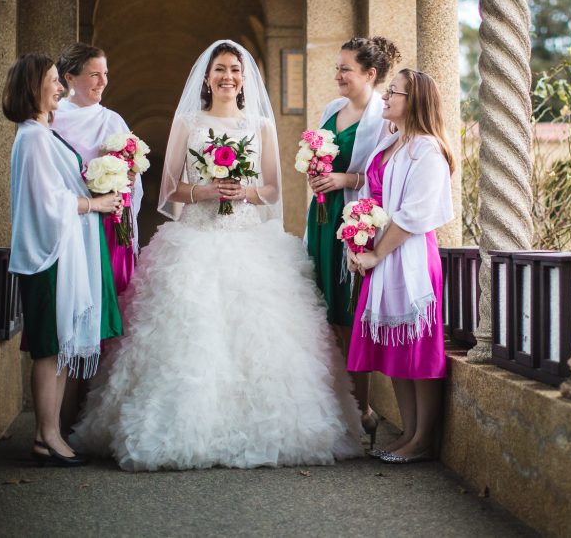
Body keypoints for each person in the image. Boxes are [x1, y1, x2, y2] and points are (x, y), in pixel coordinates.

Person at [71, 40, 362, 471]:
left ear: (245, 79)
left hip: (249, 241)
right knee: (189, 334)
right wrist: (204, 190)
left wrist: (244, 191)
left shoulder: (259, 125)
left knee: (262, 340)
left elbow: (272, 191)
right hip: (195, 237)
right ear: (207, 77)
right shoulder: (188, 122)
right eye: (221, 69)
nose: (228, 77)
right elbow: (169, 190)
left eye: (236, 70)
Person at [3, 53, 123, 467]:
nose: (61, 88)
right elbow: (47, 201)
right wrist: (96, 203)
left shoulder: (41, 133)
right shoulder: (34, 137)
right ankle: (47, 436)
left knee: (56, 348)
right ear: (33, 87)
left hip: (59, 252)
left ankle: (47, 435)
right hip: (49, 255)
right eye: (54, 81)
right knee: (50, 348)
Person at [347, 68, 454, 464]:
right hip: (379, 255)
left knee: (418, 349)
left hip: (407, 256)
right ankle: (408, 433)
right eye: (389, 91)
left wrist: (377, 252)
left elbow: (415, 213)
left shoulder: (427, 149)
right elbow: (367, 199)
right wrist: (355, 241)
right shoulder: (389, 142)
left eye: (395, 93)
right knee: (394, 349)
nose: (387, 98)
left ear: (416, 102)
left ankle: (423, 438)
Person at [306, 36, 400, 446]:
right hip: (323, 218)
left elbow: (381, 176)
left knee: (351, 314)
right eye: (338, 67)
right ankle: (331, 408)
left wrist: (347, 179)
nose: (338, 75)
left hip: (355, 224)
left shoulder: (382, 117)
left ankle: (361, 411)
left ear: (370, 74)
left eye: (346, 68)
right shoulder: (332, 110)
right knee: (324, 314)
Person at [52, 43, 143, 295]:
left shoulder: (113, 121)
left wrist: (129, 178)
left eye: (105, 74)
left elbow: (132, 182)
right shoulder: (52, 120)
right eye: (94, 75)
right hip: (68, 222)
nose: (103, 81)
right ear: (70, 77)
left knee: (109, 289)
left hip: (109, 227)